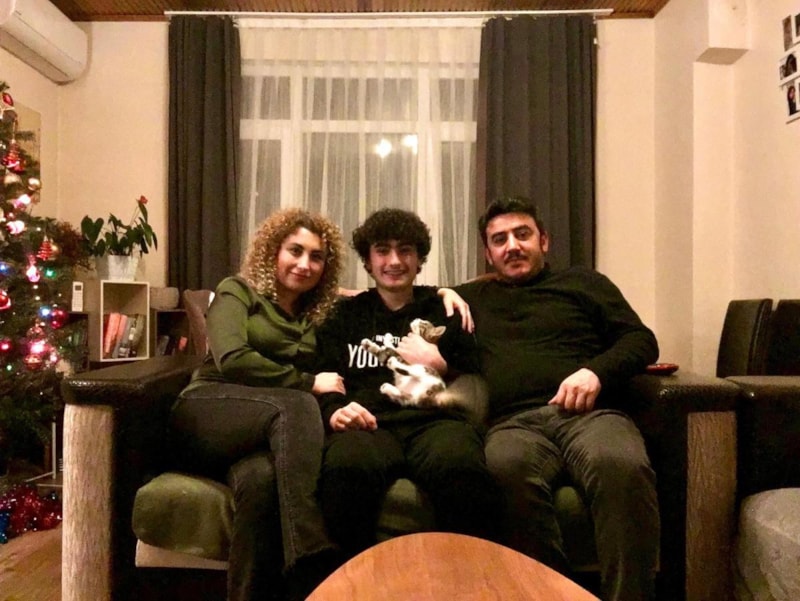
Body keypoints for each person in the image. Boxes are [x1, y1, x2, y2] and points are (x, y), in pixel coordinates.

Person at [453, 197, 660, 601]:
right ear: (488, 254)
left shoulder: (584, 283)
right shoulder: (472, 298)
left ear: (544, 241)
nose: (512, 246)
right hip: (514, 424)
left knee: (620, 465)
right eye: (499, 239)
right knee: (503, 467)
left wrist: (595, 372)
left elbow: (641, 340)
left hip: (590, 416)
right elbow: (394, 294)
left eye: (522, 234)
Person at [169, 208, 346, 601]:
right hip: (209, 408)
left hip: (263, 435)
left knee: (260, 481)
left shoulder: (312, 315)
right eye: (295, 250)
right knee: (297, 404)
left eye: (317, 257)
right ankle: (310, 553)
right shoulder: (238, 290)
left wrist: (445, 293)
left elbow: (381, 298)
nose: (305, 264)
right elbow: (232, 357)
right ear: (273, 251)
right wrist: (307, 382)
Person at [314, 207, 501, 558]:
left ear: (419, 259)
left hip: (435, 423)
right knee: (344, 469)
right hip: (368, 424)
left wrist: (440, 363)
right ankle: (354, 582)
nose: (395, 261)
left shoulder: (445, 309)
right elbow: (323, 377)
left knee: (462, 468)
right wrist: (335, 411)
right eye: (383, 250)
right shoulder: (343, 315)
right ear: (368, 261)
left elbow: (475, 375)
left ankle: (466, 579)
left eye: (405, 251)